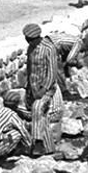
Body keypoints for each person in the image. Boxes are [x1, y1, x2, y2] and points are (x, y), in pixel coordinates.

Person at [23, 24, 63, 156]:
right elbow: (30, 69)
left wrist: (44, 89)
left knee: (37, 108)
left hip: (45, 88)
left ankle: (38, 142)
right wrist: (28, 88)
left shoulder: (49, 48)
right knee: (41, 116)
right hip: (33, 88)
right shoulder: (30, 48)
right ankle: (49, 148)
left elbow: (52, 72)